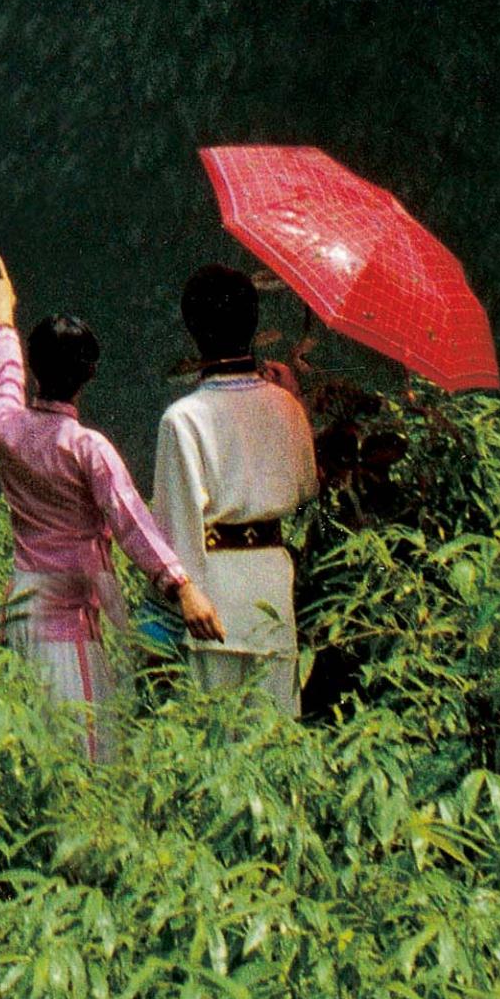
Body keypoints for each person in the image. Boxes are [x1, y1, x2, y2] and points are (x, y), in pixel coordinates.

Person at [0, 257, 222, 759]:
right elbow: (130, 518)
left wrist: (5, 315)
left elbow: (5, 381)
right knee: (89, 743)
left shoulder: (5, 426)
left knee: (30, 737)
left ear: (35, 365)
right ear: (89, 373)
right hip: (70, 615)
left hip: (24, 603)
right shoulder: (87, 447)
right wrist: (181, 585)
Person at [151, 262, 320, 716]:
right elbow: (306, 487)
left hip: (211, 593)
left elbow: (171, 524)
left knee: (217, 742)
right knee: (278, 737)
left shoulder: (182, 419)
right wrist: (294, 399)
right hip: (271, 585)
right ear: (254, 324)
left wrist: (183, 593)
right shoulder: (287, 406)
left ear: (192, 330)